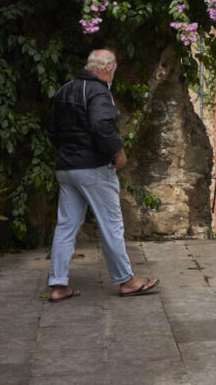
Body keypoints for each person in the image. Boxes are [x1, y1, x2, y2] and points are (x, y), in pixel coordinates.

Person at [44, 49, 158, 301]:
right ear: (108, 68)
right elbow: (101, 125)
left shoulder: (64, 90)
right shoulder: (98, 91)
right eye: (114, 69)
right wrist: (118, 153)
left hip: (66, 168)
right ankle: (127, 281)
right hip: (94, 168)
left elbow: (51, 130)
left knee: (65, 226)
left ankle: (58, 285)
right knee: (111, 225)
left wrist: (70, 151)